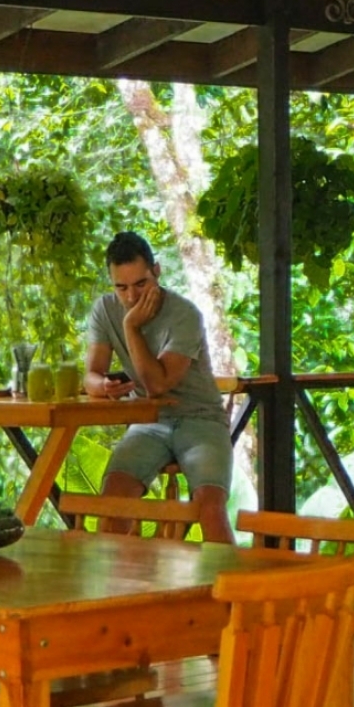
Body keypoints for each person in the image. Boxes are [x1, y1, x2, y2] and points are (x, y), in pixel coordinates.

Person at [84, 231, 234, 543]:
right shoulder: (104, 309)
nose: (131, 297)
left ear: (157, 271)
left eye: (140, 284)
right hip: (148, 421)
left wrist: (130, 326)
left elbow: (157, 384)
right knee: (112, 503)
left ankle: (233, 577)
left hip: (201, 419)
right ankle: (124, 577)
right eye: (121, 287)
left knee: (209, 507)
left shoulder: (185, 314)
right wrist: (103, 386)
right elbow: (91, 376)